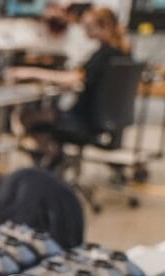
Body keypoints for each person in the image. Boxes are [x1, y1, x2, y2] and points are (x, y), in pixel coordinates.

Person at [7, 6, 132, 165]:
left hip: (84, 121)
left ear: (105, 26)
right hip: (102, 120)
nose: (85, 32)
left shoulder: (104, 55)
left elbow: (71, 79)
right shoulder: (123, 53)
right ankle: (52, 159)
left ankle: (52, 157)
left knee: (26, 118)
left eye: (89, 28)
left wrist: (29, 72)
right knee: (43, 117)